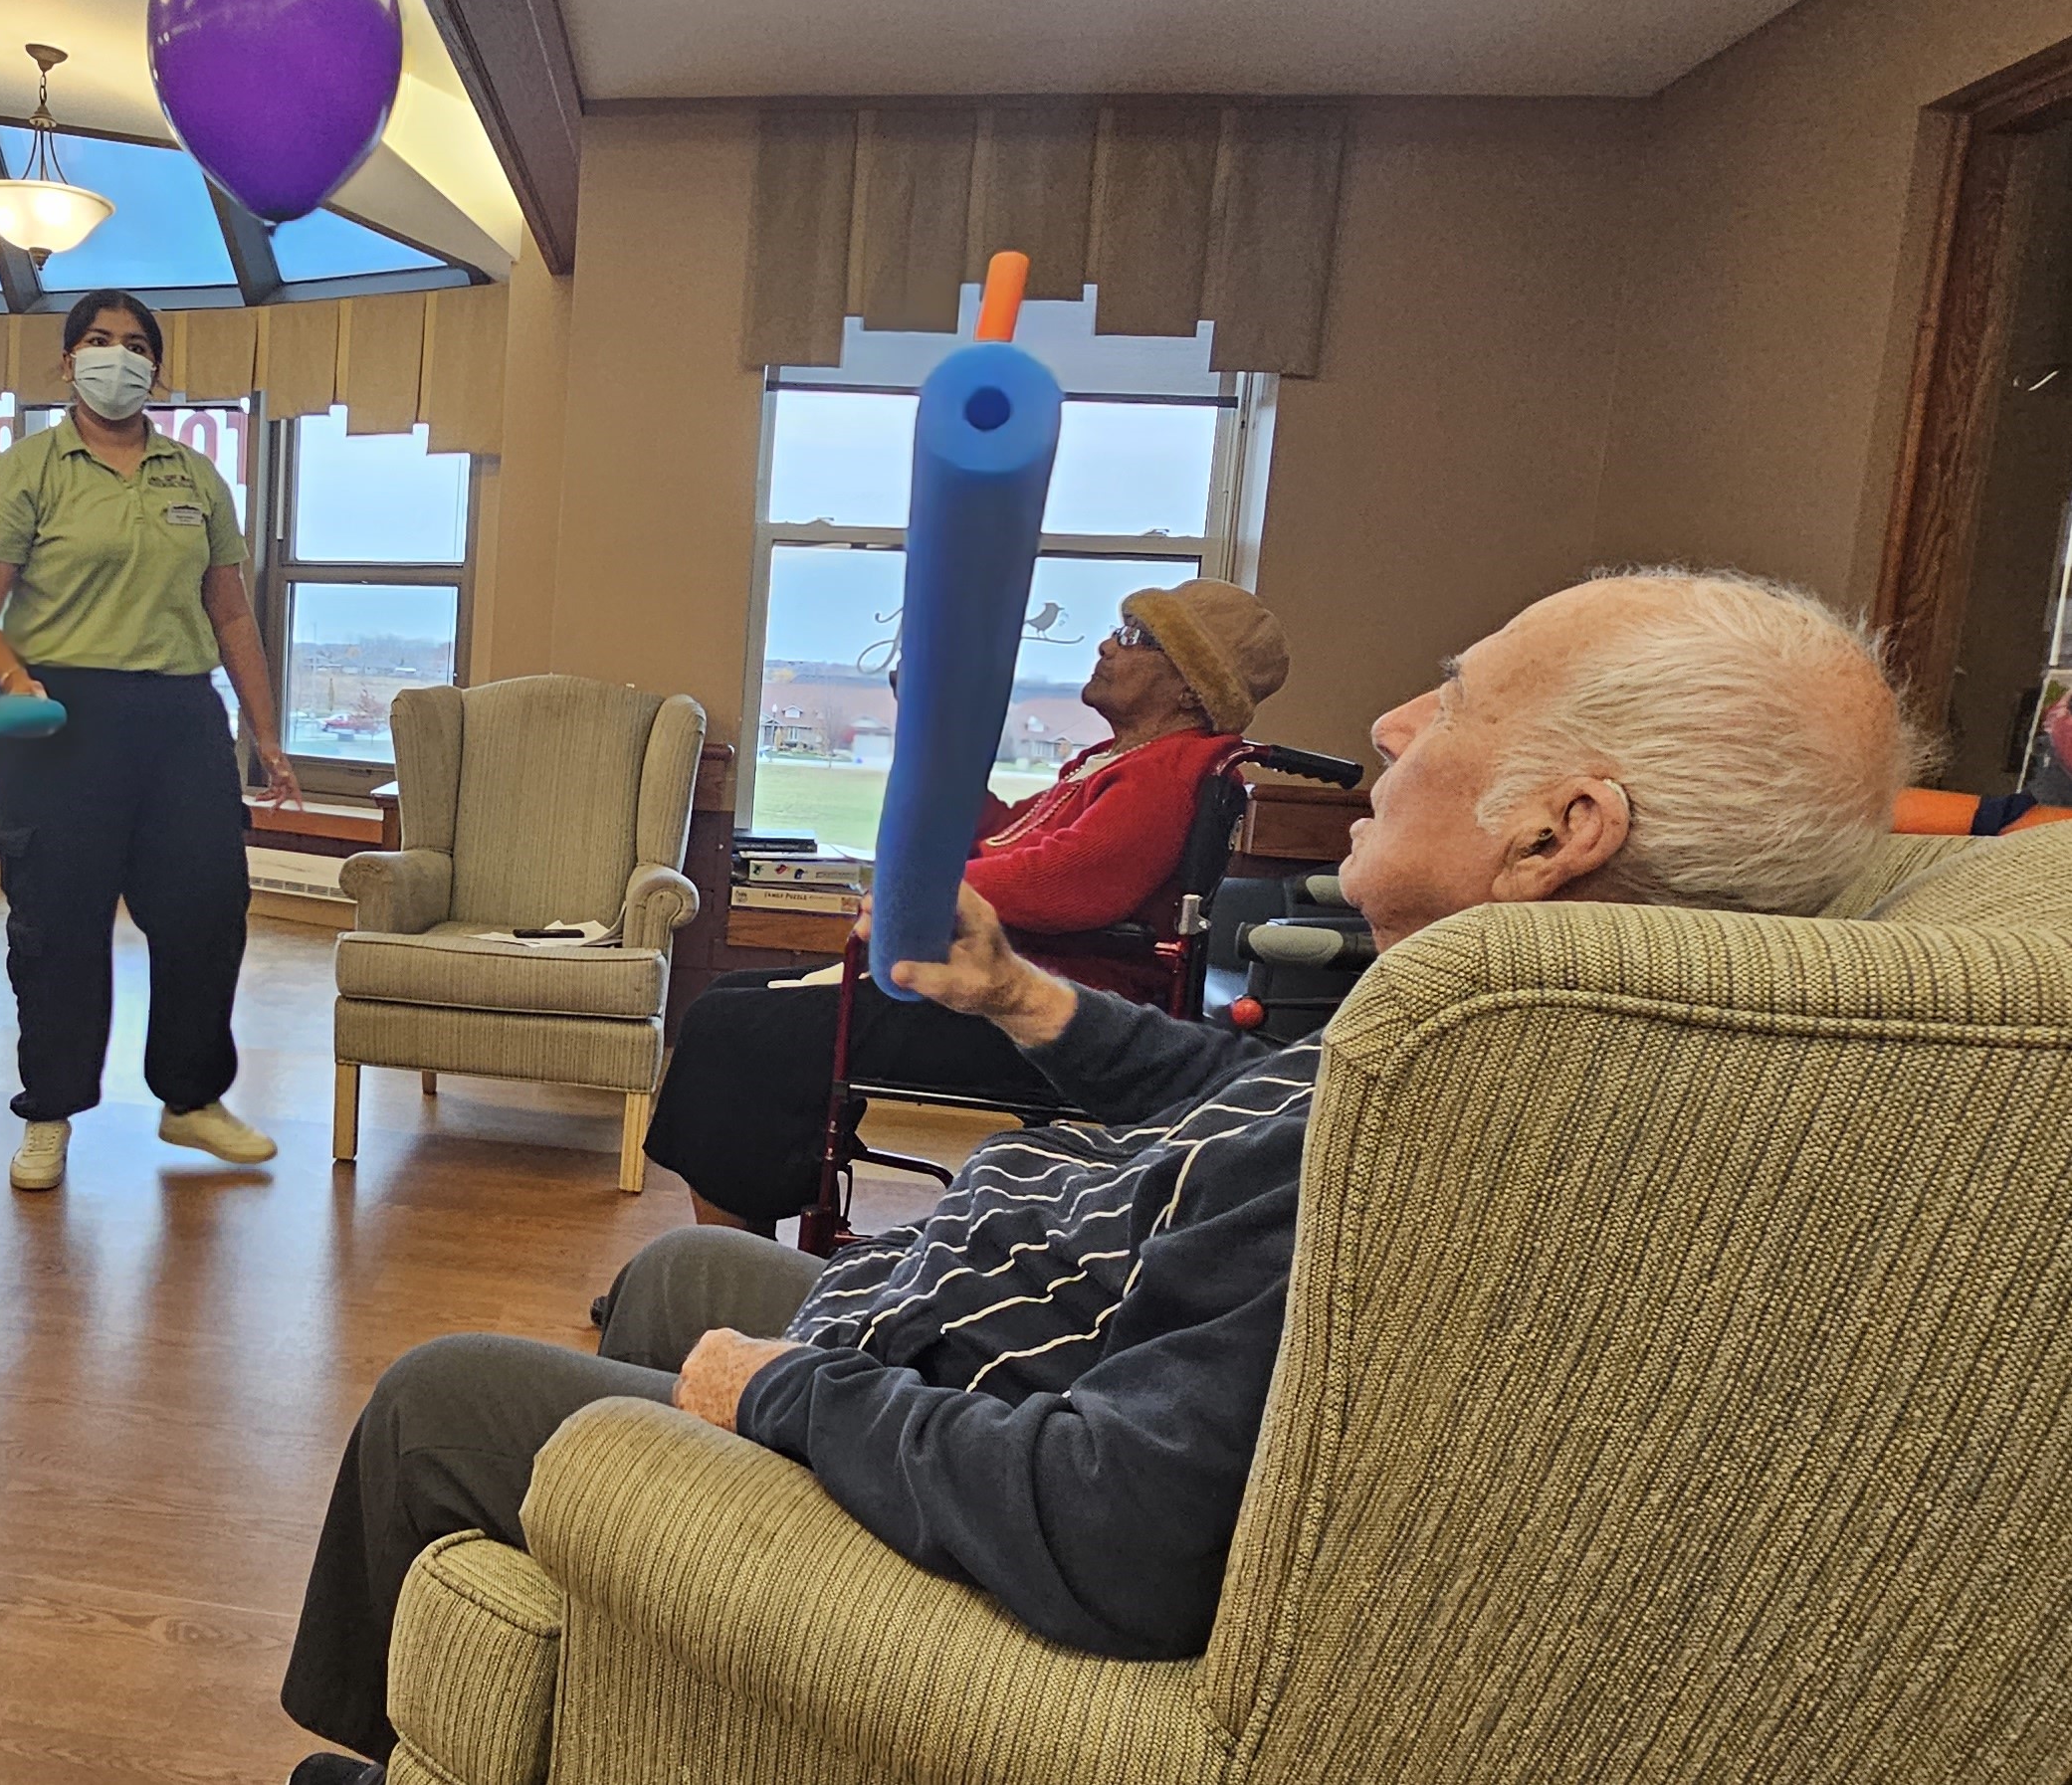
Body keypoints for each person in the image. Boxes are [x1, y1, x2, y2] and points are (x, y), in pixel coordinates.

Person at [277, 570, 1916, 1783]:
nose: (1391, 726)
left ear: (1559, 828)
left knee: (441, 1396)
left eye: (1457, 694)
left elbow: (1109, 1521)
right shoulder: (1474, 1031)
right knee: (668, 1280)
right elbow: (1231, 1089)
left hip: (981, 1430)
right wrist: (1019, 994)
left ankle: (382, 1736)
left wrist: (774, 1397)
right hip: (1001, 1319)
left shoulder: (1456, 1121)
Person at [644, 578, 1291, 1232]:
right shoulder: (1121, 760)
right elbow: (1001, 838)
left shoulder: (1173, 770)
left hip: (1042, 1009)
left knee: (739, 1031)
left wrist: (921, 889)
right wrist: (931, 734)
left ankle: (727, 1264)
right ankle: (725, 1254)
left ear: (1189, 684)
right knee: (727, 1004)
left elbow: (1066, 881)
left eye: (1132, 636)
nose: (1105, 643)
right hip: (1001, 983)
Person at [0, 290, 302, 1191]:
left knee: (205, 911)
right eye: (99, 342)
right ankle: (51, 1113)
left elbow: (231, 614)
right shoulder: (27, 470)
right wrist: (15, 684)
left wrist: (268, 737)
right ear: (67, 364)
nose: (119, 358)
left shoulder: (193, 476)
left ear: (157, 367)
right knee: (57, 927)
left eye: (136, 345)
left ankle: (190, 1100)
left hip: (180, 718)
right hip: (56, 716)